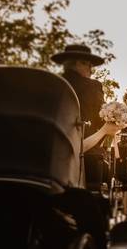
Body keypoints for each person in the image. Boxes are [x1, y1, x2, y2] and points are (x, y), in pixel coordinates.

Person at [51, 43, 120, 187]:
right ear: (78, 63)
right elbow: (103, 124)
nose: (91, 71)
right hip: (84, 161)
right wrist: (110, 135)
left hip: (50, 155)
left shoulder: (52, 83)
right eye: (89, 65)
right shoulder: (92, 87)